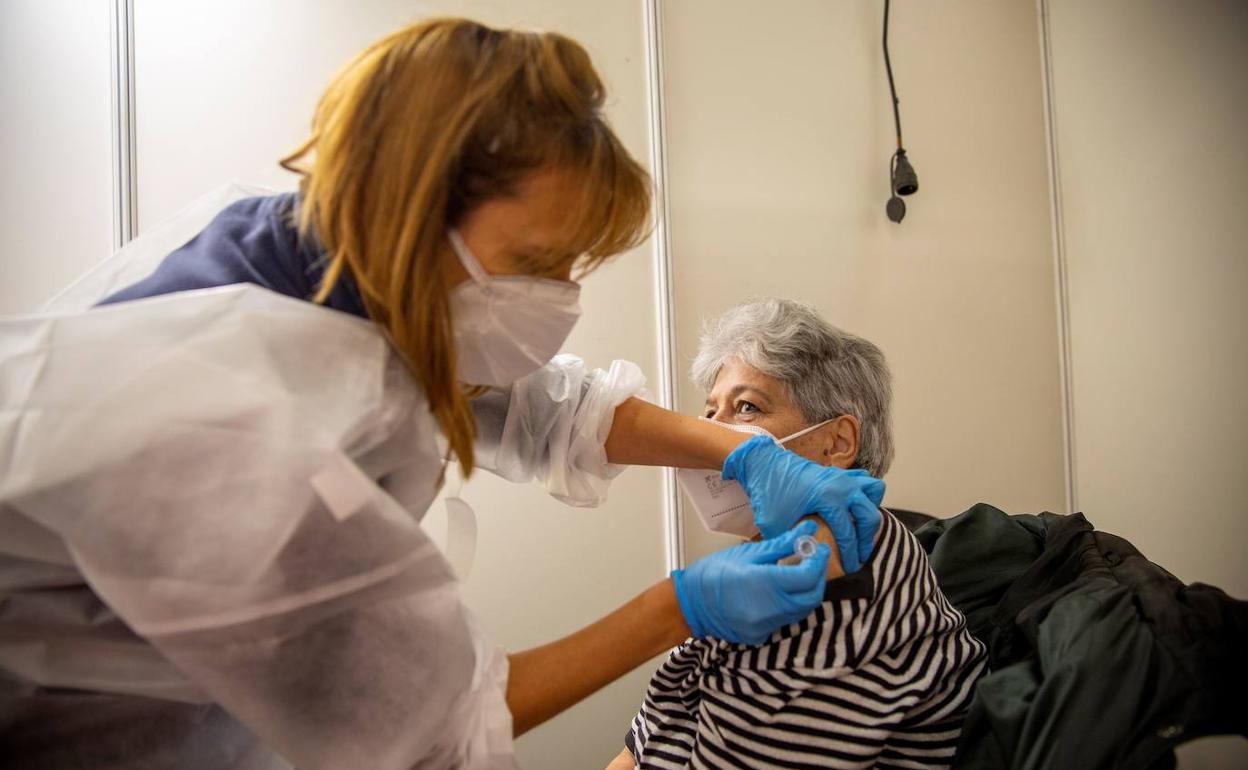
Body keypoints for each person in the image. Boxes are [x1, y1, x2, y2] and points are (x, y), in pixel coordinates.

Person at [0, 19, 884, 770]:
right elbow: (427, 727)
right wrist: (682, 604)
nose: (559, 301)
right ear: (412, 201)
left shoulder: (302, 256)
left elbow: (544, 406)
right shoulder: (236, 421)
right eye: (538, 265)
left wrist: (745, 455)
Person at [610, 299, 987, 770]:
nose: (709, 436)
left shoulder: (840, 570)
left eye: (747, 407)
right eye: (710, 413)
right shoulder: (761, 562)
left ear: (837, 442)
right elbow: (640, 745)